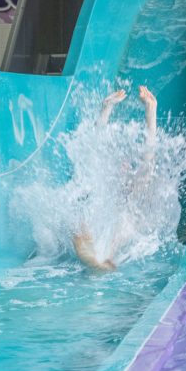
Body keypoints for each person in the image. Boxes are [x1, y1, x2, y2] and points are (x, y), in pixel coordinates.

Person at [72, 85, 157, 271]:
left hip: (126, 229)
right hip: (100, 227)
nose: (123, 166)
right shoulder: (105, 183)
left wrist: (151, 111)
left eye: (127, 165)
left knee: (125, 220)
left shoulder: (136, 186)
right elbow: (96, 142)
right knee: (82, 214)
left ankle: (102, 258)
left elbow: (149, 154)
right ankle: (92, 254)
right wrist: (107, 106)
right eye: (120, 164)